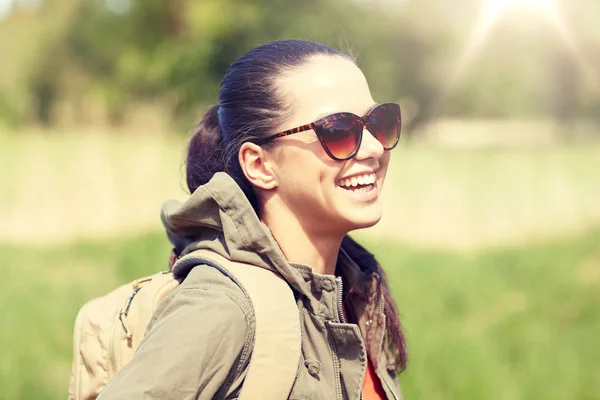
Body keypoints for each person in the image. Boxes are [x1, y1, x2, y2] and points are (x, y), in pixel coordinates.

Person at [97, 39, 407, 400]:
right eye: (339, 131)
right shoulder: (222, 308)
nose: (373, 148)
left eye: (379, 122)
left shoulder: (353, 293)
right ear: (260, 165)